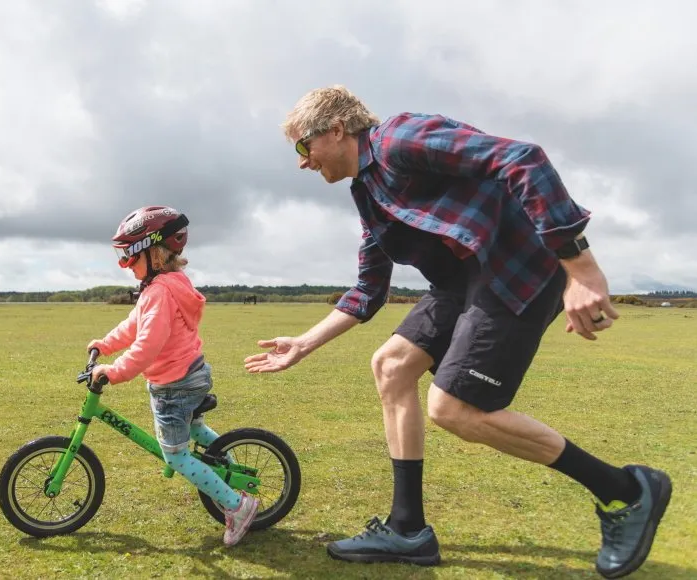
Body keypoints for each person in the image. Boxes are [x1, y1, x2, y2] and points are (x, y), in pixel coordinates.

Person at [243, 86, 671, 578]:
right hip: (459, 284)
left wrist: (582, 269)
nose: (302, 162)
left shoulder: (400, 137)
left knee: (455, 409)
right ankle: (408, 530)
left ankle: (628, 491)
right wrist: (304, 342)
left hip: (514, 268)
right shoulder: (368, 194)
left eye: (303, 147)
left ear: (337, 129)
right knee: (391, 365)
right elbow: (368, 289)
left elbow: (522, 159)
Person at [89, 205, 260, 546]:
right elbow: (133, 326)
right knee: (194, 429)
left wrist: (115, 371)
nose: (125, 265)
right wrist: (105, 345)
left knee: (176, 455)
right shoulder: (165, 285)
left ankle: (237, 505)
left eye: (128, 256)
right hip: (190, 372)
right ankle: (230, 470)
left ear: (152, 252)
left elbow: (148, 345)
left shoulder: (159, 292)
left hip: (175, 384)